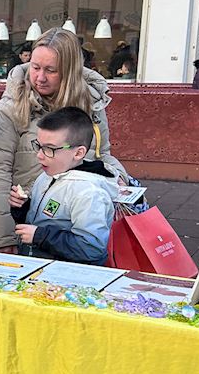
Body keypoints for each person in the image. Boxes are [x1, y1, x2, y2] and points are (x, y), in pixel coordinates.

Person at [0, 27, 127, 252]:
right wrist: (3, 239)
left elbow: (102, 155)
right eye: (35, 67)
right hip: (27, 225)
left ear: (69, 71)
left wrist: (119, 178)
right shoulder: (9, 109)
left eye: (50, 70)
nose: (40, 77)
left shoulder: (92, 105)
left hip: (79, 224)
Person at [9, 106, 118, 265]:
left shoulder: (89, 193)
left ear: (78, 153)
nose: (39, 155)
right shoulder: (47, 176)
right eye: (38, 146)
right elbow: (44, 218)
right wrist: (22, 207)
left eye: (49, 149)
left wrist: (40, 236)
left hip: (68, 274)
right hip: (40, 266)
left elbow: (91, 248)